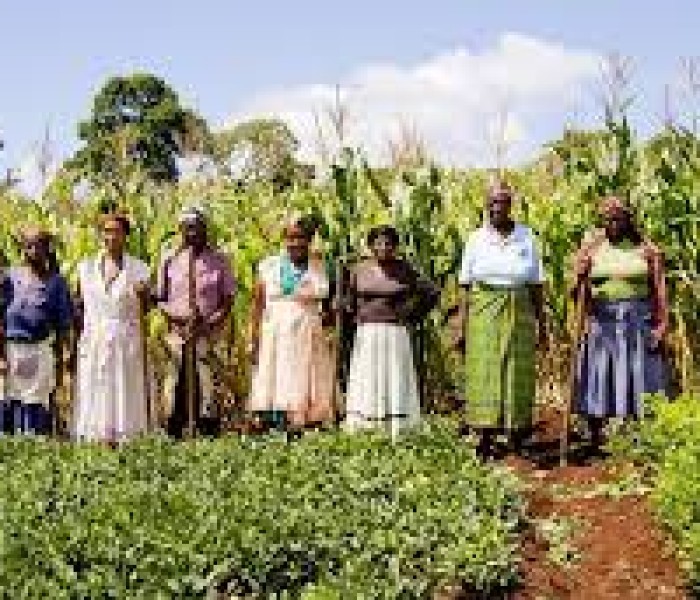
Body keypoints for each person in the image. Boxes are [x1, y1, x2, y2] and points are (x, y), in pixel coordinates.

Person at [572, 195, 668, 450]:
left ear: (627, 219)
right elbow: (575, 293)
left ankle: (639, 435)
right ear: (602, 221)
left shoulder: (647, 249)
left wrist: (662, 324)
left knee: (638, 374)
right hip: (602, 320)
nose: (613, 223)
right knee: (599, 372)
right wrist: (580, 275)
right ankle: (596, 436)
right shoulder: (591, 249)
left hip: (638, 319)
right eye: (608, 219)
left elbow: (659, 290)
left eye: (618, 218)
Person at [458, 184, 546, 457]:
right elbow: (465, 284)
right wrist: (463, 324)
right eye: (493, 203)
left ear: (511, 205)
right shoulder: (475, 239)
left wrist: (542, 323)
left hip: (519, 306)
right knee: (484, 371)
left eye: (504, 202)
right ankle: (485, 436)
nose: (498, 208)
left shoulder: (527, 236)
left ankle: (517, 436)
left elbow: (536, 283)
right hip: (484, 308)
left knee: (517, 370)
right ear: (486, 206)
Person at [344, 225, 439, 437]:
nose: (383, 247)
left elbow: (431, 292)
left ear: (395, 246)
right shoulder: (359, 269)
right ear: (370, 246)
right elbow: (349, 300)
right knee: (367, 377)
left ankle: (397, 424)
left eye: (388, 243)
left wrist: (413, 315)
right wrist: (352, 314)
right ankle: (365, 424)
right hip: (367, 333)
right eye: (378, 243)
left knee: (394, 376)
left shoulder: (405, 269)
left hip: (394, 333)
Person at [248, 216, 336, 430]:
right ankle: (277, 423)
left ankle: (308, 421)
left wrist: (329, 322)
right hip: (276, 330)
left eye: (301, 238)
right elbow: (257, 304)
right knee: (278, 373)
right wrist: (253, 336)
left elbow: (331, 304)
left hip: (308, 331)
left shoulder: (321, 267)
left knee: (307, 375)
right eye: (291, 238)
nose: (296, 243)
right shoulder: (269, 266)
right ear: (284, 239)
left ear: (309, 240)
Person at [157, 206, 236, 438]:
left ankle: (207, 429)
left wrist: (209, 323)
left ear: (205, 229)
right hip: (177, 332)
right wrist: (177, 319)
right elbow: (160, 298)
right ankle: (175, 429)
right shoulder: (169, 259)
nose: (192, 234)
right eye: (187, 229)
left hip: (209, 331)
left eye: (197, 228)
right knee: (176, 381)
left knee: (206, 383)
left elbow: (228, 299)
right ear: (181, 230)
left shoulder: (220, 260)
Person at [74, 213, 151, 443]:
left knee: (124, 388)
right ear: (100, 235)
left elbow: (146, 309)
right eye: (107, 231)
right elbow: (79, 305)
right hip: (95, 336)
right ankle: (95, 437)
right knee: (96, 385)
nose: (112, 236)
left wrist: (142, 295)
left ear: (126, 236)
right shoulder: (85, 268)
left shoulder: (139, 269)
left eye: (117, 231)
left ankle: (125, 438)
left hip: (125, 338)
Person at [0, 228, 73, 435]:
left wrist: (63, 360)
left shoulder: (56, 283)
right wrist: (2, 356)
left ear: (47, 249)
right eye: (28, 246)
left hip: (40, 351)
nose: (32, 251)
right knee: (11, 400)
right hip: (11, 350)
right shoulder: (10, 277)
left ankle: (34, 451)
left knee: (36, 404)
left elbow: (63, 326)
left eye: (38, 246)